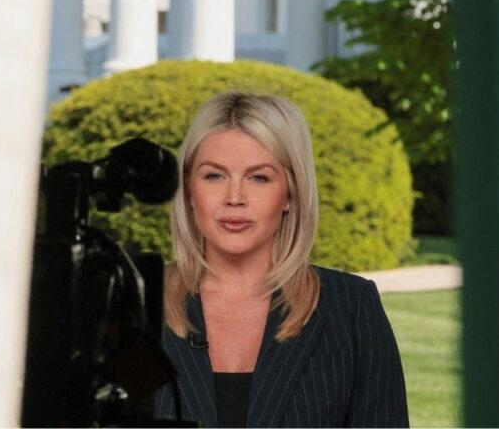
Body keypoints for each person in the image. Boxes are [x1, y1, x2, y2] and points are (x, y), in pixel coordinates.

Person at [154, 92, 408, 427]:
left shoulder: (351, 307)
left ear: (291, 192)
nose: (234, 198)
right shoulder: (137, 303)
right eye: (214, 176)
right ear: (189, 190)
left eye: (259, 177)